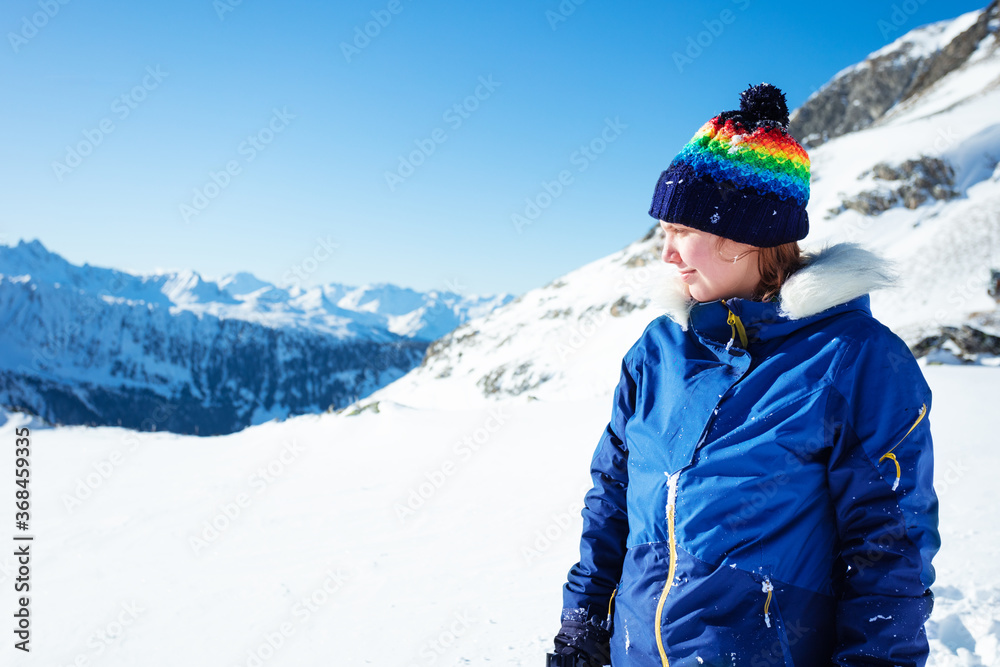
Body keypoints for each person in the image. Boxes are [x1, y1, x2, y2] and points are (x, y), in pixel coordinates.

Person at [550, 83, 940, 666]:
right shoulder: (658, 353)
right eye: (664, 233)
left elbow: (890, 550)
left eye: (681, 231)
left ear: (743, 238)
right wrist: (580, 629)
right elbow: (609, 504)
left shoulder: (852, 360)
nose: (668, 254)